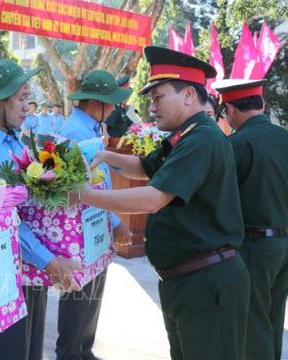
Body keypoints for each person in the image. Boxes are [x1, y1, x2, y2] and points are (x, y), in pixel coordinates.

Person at [74, 46, 250, 359]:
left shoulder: (203, 139)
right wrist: (103, 155)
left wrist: (86, 197)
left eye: (159, 97)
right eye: (151, 99)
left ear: (188, 96)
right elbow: (145, 167)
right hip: (186, 280)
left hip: (208, 284)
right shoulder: (185, 135)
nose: (152, 107)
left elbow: (155, 199)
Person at [0, 59, 82, 360]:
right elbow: (2, 222)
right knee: (9, 352)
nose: (28, 106)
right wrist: (49, 260)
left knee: (30, 349)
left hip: (30, 267)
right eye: (22, 98)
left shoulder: (19, 140)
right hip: (2, 274)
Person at [56, 69, 133, 360]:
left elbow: (101, 180)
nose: (114, 108)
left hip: (93, 226)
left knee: (93, 292)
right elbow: (82, 188)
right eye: (110, 102)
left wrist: (110, 219)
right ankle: (70, 353)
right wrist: (114, 221)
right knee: (79, 296)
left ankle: (83, 350)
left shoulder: (89, 127)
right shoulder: (75, 131)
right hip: (80, 229)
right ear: (94, 102)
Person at [213, 78, 288, 360]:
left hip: (254, 245)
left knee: (252, 322)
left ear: (230, 110)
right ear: (263, 104)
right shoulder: (285, 138)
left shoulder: (235, 145)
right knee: (273, 314)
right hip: (283, 243)